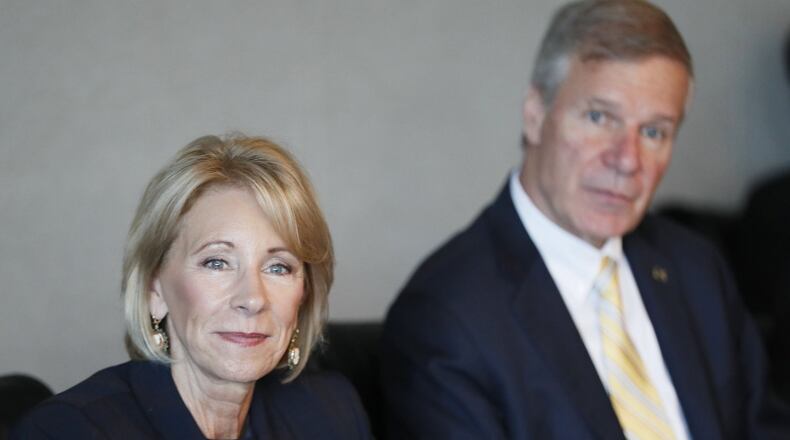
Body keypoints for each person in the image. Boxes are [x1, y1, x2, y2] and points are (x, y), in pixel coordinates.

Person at [381, 1, 790, 438]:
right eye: (599, 117)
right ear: (536, 114)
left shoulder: (696, 270)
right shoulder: (446, 318)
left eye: (653, 131)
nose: (626, 160)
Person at [13, 135, 372, 439]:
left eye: (278, 267)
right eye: (216, 262)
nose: (252, 299)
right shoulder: (69, 429)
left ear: (304, 293)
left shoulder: (332, 412)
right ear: (155, 289)